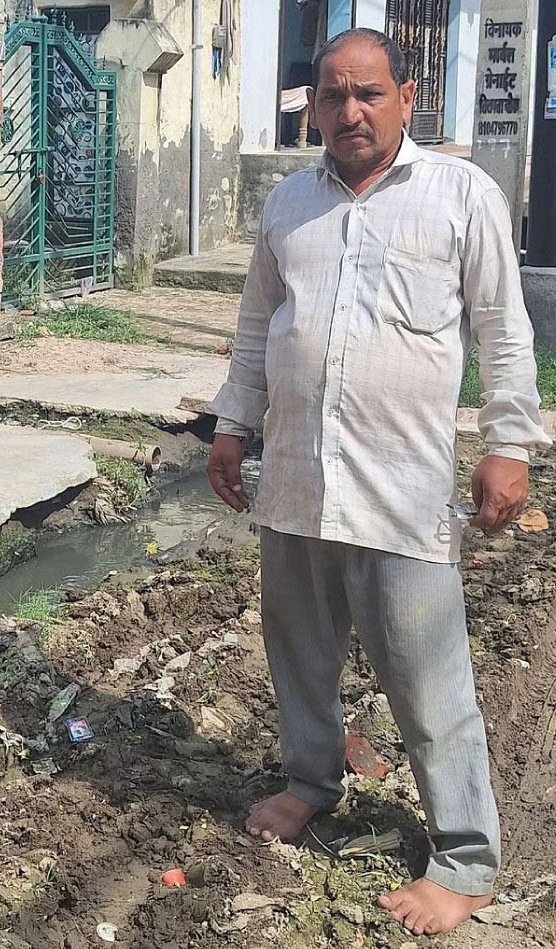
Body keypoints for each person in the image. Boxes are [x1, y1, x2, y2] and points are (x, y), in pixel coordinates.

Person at [207, 27, 550, 937]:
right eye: (330, 95)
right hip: (294, 481)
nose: (347, 112)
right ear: (310, 106)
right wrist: (231, 425)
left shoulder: (458, 195)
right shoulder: (288, 203)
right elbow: (254, 326)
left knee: (427, 675)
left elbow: (503, 332)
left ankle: (466, 858)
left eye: (366, 93)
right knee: (299, 652)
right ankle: (311, 782)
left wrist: (509, 440)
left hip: (401, 488)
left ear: (406, 95)